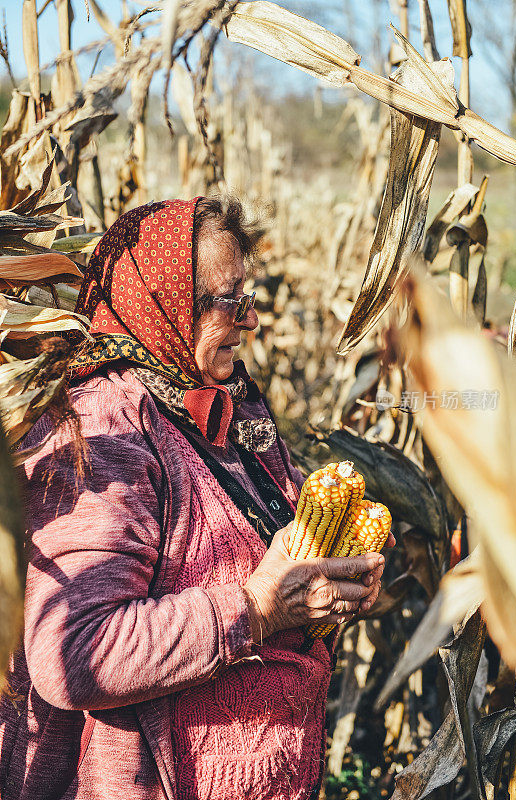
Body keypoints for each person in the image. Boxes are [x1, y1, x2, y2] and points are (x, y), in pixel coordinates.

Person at [0, 197, 390, 800]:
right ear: (166, 298)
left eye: (249, 295)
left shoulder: (228, 400)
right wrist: (254, 609)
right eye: (230, 300)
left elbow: (275, 553)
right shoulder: (106, 429)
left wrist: (336, 579)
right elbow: (71, 651)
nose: (252, 319)